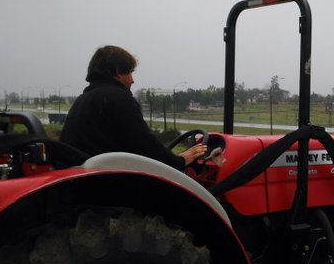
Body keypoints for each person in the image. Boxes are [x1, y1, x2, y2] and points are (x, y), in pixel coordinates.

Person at [60, 45, 221, 171]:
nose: (133, 80)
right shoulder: (119, 99)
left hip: (83, 180)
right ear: (117, 72)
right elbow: (144, 145)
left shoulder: (83, 100)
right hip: (108, 185)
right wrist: (180, 161)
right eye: (130, 72)